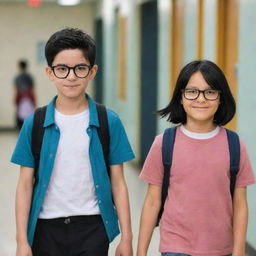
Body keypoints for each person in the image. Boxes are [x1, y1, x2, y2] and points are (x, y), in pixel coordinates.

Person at [11, 28, 135, 256]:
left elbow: (118, 183)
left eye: (80, 68)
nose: (71, 76)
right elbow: (25, 185)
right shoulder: (35, 123)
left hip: (94, 226)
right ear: (49, 72)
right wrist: (21, 241)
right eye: (62, 69)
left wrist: (127, 238)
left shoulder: (108, 121)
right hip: (45, 227)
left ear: (92, 71)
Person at [136, 60, 255, 256]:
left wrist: (239, 250)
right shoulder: (164, 143)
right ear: (181, 98)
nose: (201, 99)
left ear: (220, 98)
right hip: (176, 247)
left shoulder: (234, 144)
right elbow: (152, 201)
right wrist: (141, 251)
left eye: (210, 92)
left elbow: (240, 204)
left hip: (221, 248)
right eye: (192, 91)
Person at [14, 60, 36, 130]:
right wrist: (33, 100)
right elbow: (32, 90)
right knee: (29, 118)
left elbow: (17, 90)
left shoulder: (18, 78)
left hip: (21, 98)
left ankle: (21, 132)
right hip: (28, 98)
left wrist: (16, 100)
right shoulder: (29, 77)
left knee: (21, 118)